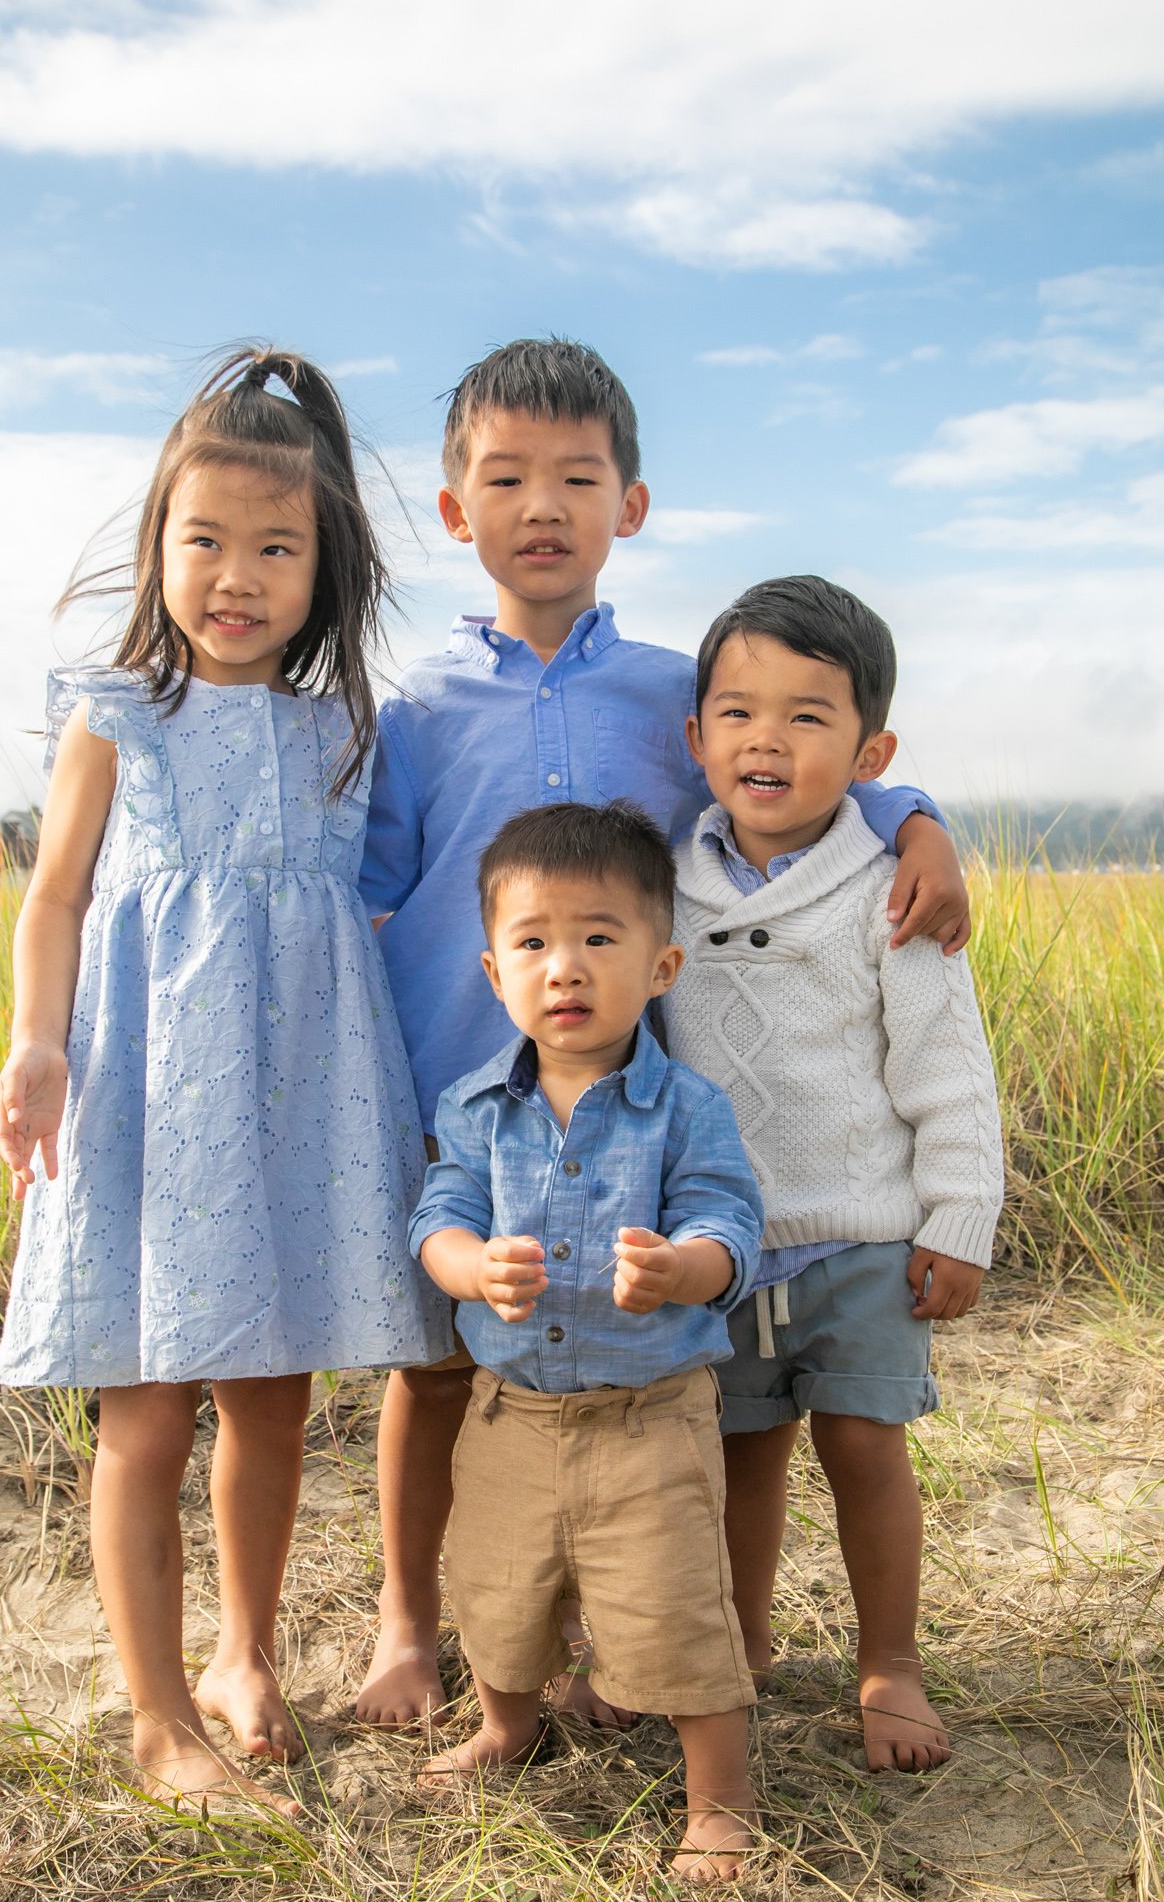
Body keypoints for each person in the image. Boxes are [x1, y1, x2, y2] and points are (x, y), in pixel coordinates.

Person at [354, 336, 972, 1728]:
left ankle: (608, 1641)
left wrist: (909, 809)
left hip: (635, 1112)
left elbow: (779, 771)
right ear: (456, 513)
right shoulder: (418, 709)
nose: (544, 504)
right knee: (441, 1370)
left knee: (626, 1388)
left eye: (579, 476)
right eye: (506, 478)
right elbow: (372, 900)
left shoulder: (665, 692)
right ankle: (409, 1621)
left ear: (629, 505)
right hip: (467, 1092)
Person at [0, 348, 450, 1815]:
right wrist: (39, 1040)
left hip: (293, 1107)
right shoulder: (117, 712)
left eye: (275, 548)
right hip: (139, 1094)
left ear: (327, 570)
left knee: (266, 1400)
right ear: (158, 547)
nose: (236, 576)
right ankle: (157, 1708)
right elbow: (55, 897)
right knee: (145, 1418)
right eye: (206, 542)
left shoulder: (339, 735)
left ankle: (246, 1655)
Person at [664, 574, 1003, 1774]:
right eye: (738, 711)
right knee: (740, 1453)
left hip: (863, 1231)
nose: (768, 738)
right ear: (694, 734)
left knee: (864, 1446)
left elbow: (945, 1065)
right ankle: (742, 1647)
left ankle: (889, 1662)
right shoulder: (666, 877)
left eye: (809, 716)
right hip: (726, 1244)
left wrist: (959, 1216)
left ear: (870, 750)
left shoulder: (891, 887)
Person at [410, 801, 764, 1885]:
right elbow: (437, 1215)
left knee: (671, 1599)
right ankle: (508, 1721)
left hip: (648, 1413)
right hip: (509, 1409)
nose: (564, 966)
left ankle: (718, 1797)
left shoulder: (684, 1106)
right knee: (496, 1582)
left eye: (598, 938)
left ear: (659, 964)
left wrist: (682, 1265)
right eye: (533, 942)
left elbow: (728, 1218)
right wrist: (470, 1266)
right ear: (492, 968)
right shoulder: (473, 1106)